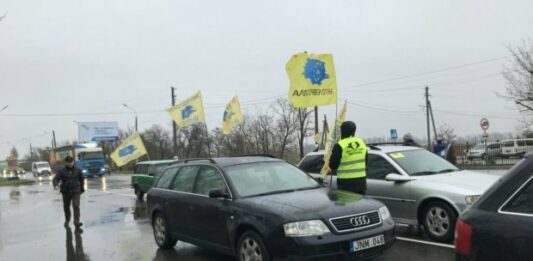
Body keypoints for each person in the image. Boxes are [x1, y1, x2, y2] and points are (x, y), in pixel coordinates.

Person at [329, 121, 368, 194]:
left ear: (342, 131)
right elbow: (366, 162)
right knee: (361, 205)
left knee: (347, 204)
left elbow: (333, 165)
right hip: (361, 183)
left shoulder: (339, 145)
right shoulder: (362, 142)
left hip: (345, 184)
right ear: (354, 131)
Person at [53, 156, 85, 228]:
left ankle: (76, 222)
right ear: (66, 162)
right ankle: (67, 220)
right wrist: (56, 185)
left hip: (76, 190)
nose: (70, 164)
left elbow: (82, 179)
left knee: (76, 205)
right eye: (68, 162)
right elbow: (56, 179)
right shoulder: (61, 171)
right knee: (66, 207)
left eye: (71, 162)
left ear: (73, 162)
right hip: (66, 191)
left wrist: (82, 188)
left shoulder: (78, 170)